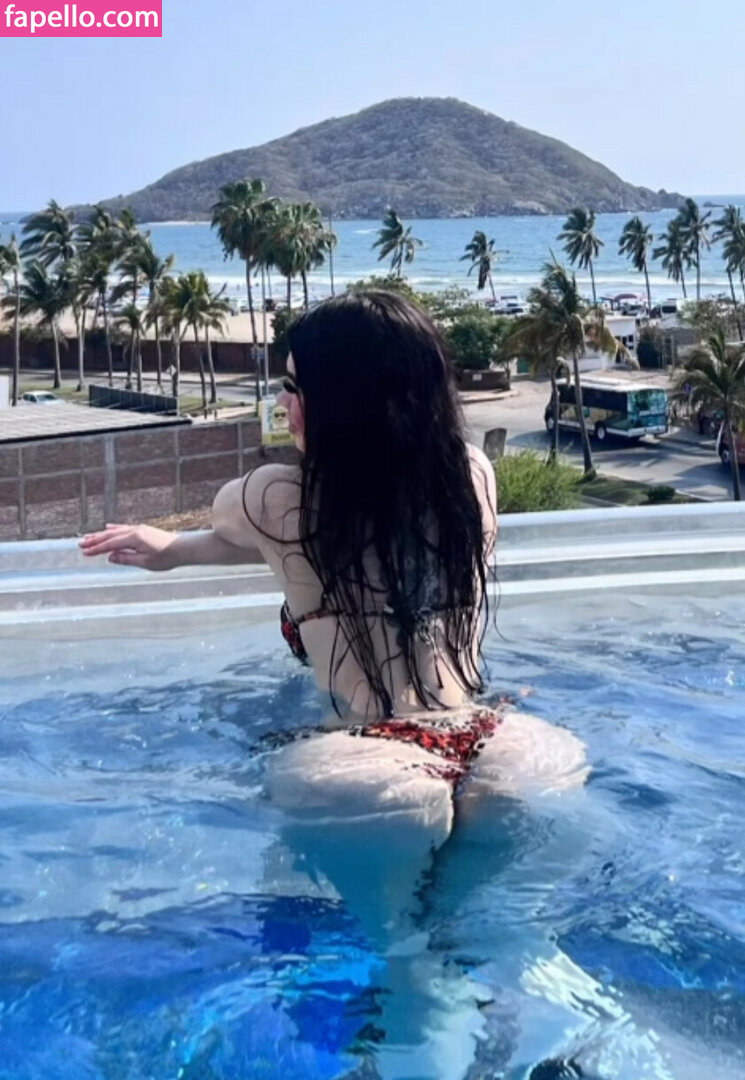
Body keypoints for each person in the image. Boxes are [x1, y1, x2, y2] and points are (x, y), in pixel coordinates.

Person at [81, 290, 586, 844]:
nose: (281, 402)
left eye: (294, 386)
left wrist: (175, 548)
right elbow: (358, 540)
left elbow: (263, 532)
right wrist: (178, 550)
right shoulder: (472, 478)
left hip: (364, 755)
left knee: (379, 881)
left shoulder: (270, 496)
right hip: (489, 737)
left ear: (342, 401)